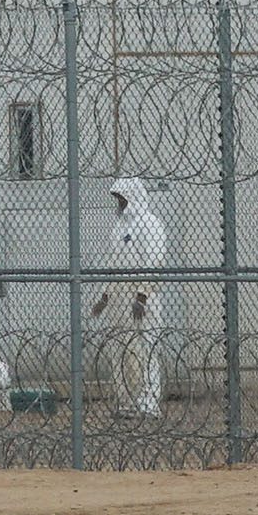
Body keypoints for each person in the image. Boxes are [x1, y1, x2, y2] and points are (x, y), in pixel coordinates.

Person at [89, 175, 167, 417]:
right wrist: (105, 297)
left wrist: (142, 295)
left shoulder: (150, 224)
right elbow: (114, 265)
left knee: (147, 348)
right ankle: (126, 401)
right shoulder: (120, 227)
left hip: (142, 297)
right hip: (120, 299)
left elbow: (155, 261)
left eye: (121, 198)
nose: (119, 202)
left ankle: (149, 402)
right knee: (122, 348)